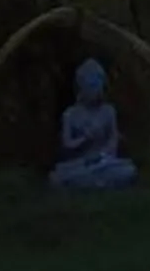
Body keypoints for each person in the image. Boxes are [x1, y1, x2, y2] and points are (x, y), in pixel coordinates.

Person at [49, 57, 136, 190]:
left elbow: (113, 141)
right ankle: (94, 183)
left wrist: (102, 155)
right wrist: (85, 139)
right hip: (79, 163)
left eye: (98, 86)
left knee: (127, 170)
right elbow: (66, 146)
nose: (96, 91)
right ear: (81, 88)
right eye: (91, 86)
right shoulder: (70, 114)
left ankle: (92, 182)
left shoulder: (109, 111)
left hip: (104, 162)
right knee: (58, 176)